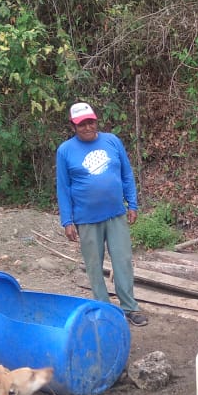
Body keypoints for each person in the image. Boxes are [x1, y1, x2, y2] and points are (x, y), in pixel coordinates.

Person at [55, 102, 147, 327]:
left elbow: (127, 174)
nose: (87, 127)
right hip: (86, 218)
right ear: (73, 126)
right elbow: (63, 188)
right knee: (94, 266)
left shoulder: (112, 141)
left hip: (115, 214)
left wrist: (132, 204)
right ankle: (104, 310)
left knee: (122, 261)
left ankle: (130, 308)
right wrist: (67, 220)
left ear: (96, 121)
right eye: (81, 124)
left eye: (91, 122)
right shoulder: (65, 150)